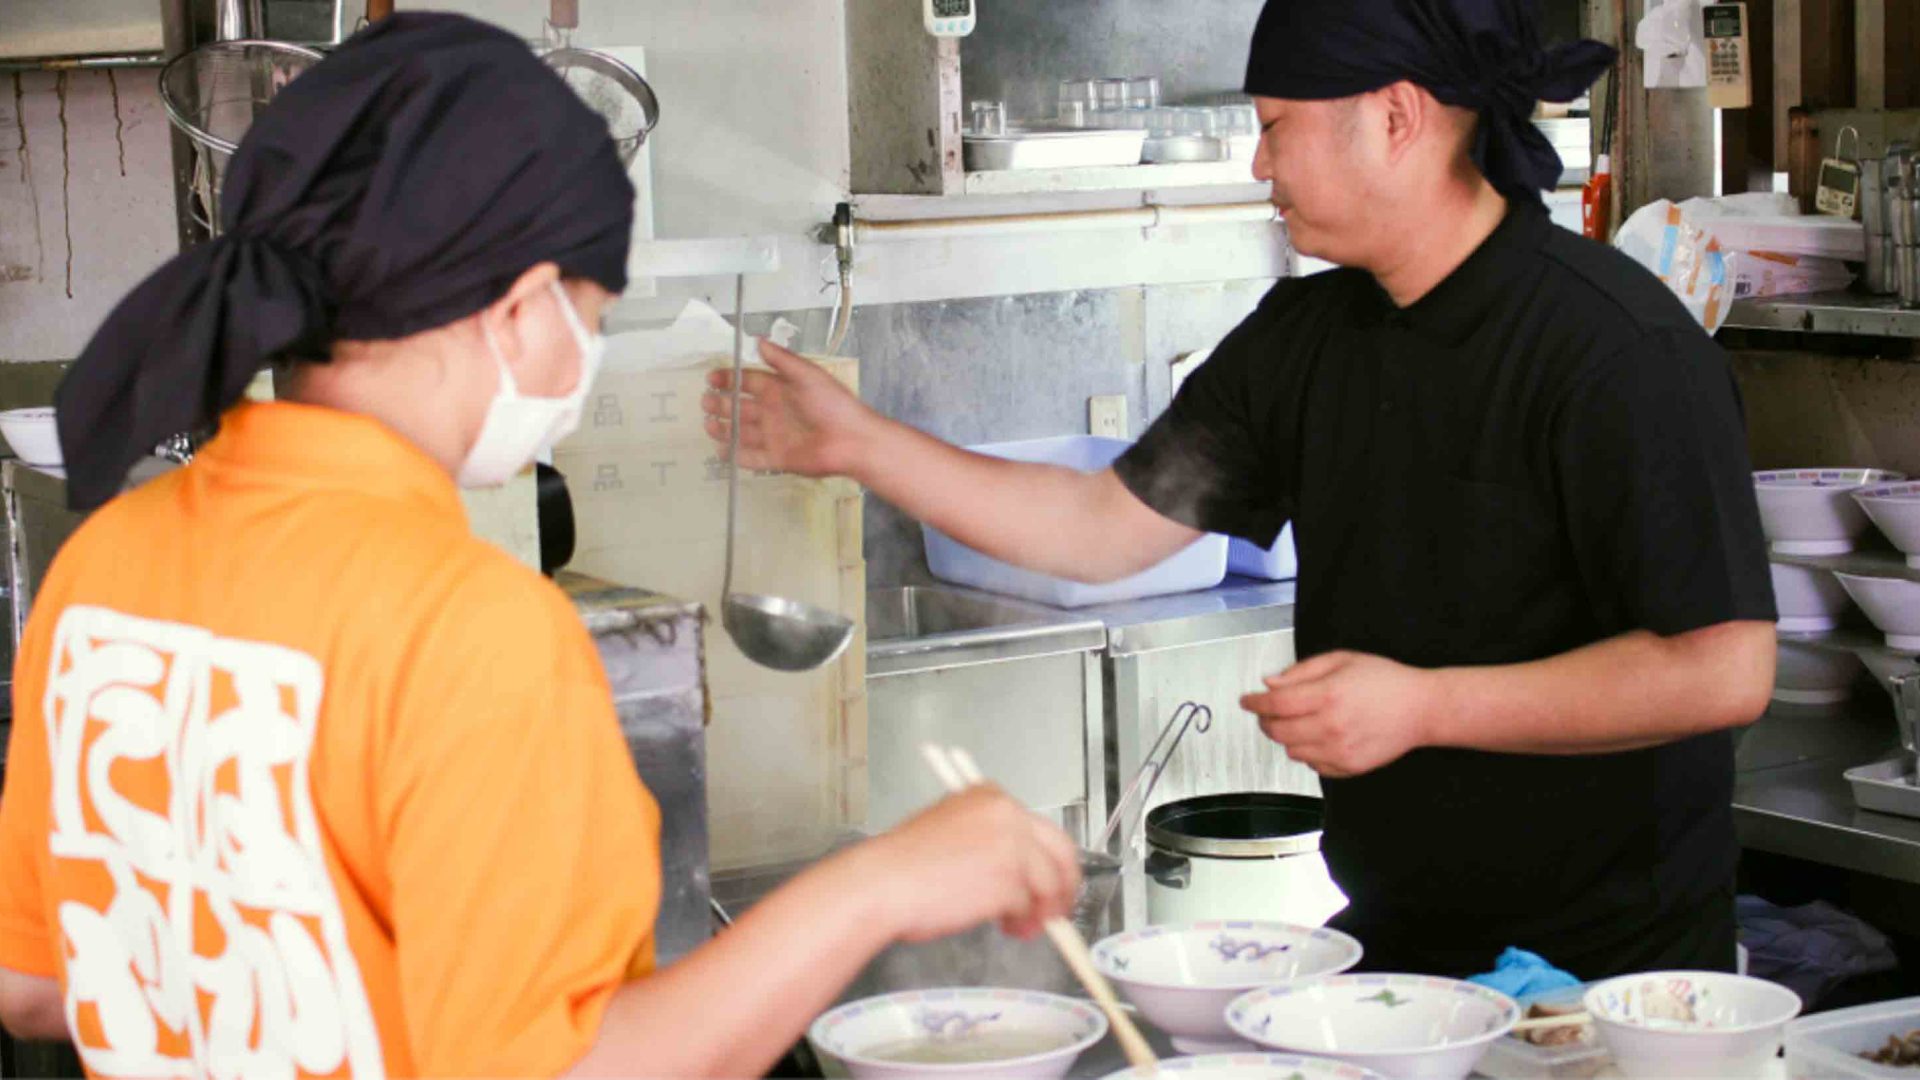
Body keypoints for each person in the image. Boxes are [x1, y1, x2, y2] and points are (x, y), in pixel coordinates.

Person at [0, 15, 1080, 1078]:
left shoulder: (106, 563)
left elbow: (38, 984)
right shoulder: (470, 628)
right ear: (519, 311)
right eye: (593, 313)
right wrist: (877, 886)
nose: (587, 353)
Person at [705, 0, 1777, 979]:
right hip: (1400, 960)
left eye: (1276, 125)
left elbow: (1722, 668)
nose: (1260, 161)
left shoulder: (1615, 348)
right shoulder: (1308, 342)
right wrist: (857, 444)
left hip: (1614, 980)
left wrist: (1427, 704)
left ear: (1396, 118)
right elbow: (1099, 527)